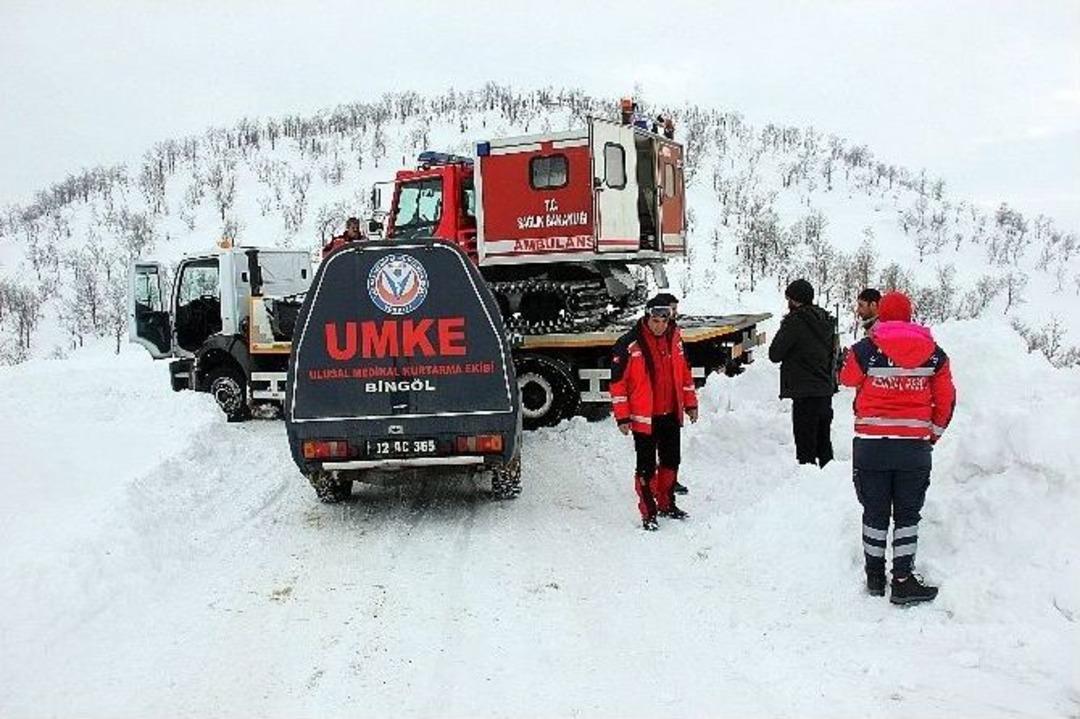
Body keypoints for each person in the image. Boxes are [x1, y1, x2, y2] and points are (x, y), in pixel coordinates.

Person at [839, 291, 955, 605]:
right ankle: (902, 580)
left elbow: (847, 378)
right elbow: (946, 399)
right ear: (909, 315)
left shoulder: (865, 349)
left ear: (882, 315)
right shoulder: (934, 354)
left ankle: (875, 577)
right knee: (907, 514)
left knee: (874, 511)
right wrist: (932, 434)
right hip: (913, 449)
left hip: (871, 447)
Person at [611, 294, 699, 531]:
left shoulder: (675, 339)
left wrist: (690, 404)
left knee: (671, 461)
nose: (660, 325)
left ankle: (667, 503)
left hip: (670, 414)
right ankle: (648, 512)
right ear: (647, 317)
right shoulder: (629, 343)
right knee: (646, 467)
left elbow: (684, 374)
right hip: (644, 420)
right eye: (656, 320)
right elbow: (618, 385)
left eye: (665, 320)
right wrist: (622, 417)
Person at [768, 279, 838, 467]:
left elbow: (775, 354)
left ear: (794, 300)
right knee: (824, 442)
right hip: (824, 390)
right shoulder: (827, 320)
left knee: (805, 447)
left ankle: (808, 489)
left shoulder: (795, 322)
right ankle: (829, 484)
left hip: (804, 392)